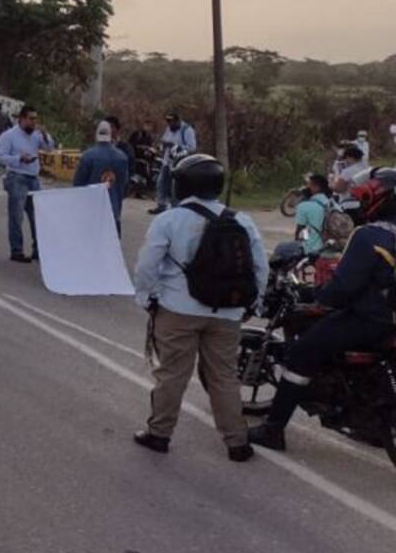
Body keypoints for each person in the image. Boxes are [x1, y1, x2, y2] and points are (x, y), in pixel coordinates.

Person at [133, 154, 267, 462]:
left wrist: (146, 298)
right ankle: (237, 443)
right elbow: (259, 268)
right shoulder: (242, 221)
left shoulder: (169, 220)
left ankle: (159, 434)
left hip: (178, 310)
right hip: (228, 312)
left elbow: (146, 267)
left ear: (183, 184)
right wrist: (252, 304)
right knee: (224, 376)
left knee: (172, 375)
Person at [251, 169, 396, 453]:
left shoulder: (369, 236)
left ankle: (273, 430)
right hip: (387, 321)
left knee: (301, 352)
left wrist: (316, 296)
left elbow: (342, 289)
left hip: (370, 321)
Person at [0, 105, 55, 263]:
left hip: (33, 178)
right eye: (30, 119)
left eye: (35, 119)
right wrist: (18, 158)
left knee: (37, 216)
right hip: (16, 177)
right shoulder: (9, 136)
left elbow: (49, 149)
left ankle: (38, 250)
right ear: (21, 119)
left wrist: (45, 134)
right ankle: (17, 250)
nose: (33, 123)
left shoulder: (36, 135)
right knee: (16, 216)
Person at [73, 120, 130, 235]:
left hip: (91, 211)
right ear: (110, 135)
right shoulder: (122, 157)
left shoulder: (88, 156)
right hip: (113, 211)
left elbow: (78, 184)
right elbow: (124, 184)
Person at [150, 112, 197, 214]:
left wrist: (175, 145)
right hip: (167, 161)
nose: (169, 124)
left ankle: (175, 208)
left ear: (178, 121)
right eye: (168, 121)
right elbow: (164, 140)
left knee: (175, 186)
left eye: (171, 122)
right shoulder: (169, 129)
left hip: (180, 163)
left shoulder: (187, 130)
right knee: (161, 183)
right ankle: (161, 205)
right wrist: (162, 145)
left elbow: (192, 148)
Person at [293, 173, 332, 256]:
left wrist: (305, 241)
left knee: (281, 248)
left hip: (311, 250)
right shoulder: (333, 203)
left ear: (316, 188)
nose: (305, 187)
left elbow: (301, 231)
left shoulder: (304, 206)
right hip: (331, 249)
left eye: (308, 185)